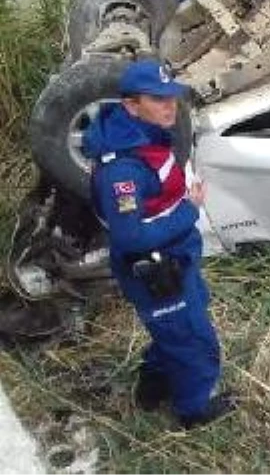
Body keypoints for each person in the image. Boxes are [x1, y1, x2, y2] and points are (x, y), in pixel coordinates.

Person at [82, 60, 234, 429]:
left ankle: (153, 385)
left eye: (172, 98)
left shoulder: (139, 132)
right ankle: (194, 409)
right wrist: (188, 212)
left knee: (179, 323)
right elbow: (130, 237)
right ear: (131, 105)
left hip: (176, 256)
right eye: (157, 99)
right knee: (193, 339)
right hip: (156, 265)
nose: (170, 107)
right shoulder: (123, 171)